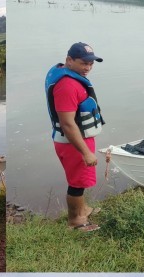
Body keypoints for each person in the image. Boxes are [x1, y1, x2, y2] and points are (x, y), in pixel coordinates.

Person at [45, 42, 105, 232]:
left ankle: (84, 209)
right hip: (73, 142)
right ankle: (76, 222)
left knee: (81, 178)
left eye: (91, 64)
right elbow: (68, 123)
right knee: (77, 183)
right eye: (83, 63)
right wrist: (86, 152)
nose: (88, 68)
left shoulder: (70, 76)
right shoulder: (67, 85)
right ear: (69, 60)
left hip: (78, 138)